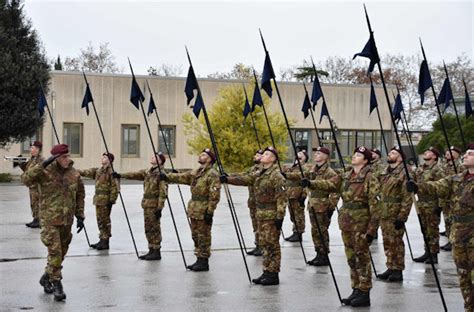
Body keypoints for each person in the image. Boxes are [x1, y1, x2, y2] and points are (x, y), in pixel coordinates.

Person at [302, 146, 378, 307]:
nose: (354, 156)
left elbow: (376, 206)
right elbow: (329, 184)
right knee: (351, 258)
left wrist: (371, 230)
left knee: (362, 258)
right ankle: (356, 288)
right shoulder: (346, 175)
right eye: (354, 153)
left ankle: (365, 292)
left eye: (358, 155)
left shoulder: (370, 177)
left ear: (365, 160)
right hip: (346, 223)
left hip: (361, 223)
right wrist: (311, 183)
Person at [407, 142, 474, 312]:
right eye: (466, 153)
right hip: (459, 235)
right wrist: (417, 187)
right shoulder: (457, 179)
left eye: (471, 154)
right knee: (463, 276)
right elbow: (437, 186)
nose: (466, 156)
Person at [21, 144, 85, 301]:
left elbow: (80, 195)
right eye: (63, 157)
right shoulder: (45, 171)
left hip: (66, 221)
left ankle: (46, 276)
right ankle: (57, 284)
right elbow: (26, 179)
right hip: (50, 220)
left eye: (68, 156)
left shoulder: (74, 173)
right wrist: (42, 164)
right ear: (55, 158)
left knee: (61, 253)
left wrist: (80, 216)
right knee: (55, 251)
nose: (67, 159)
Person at [222, 147, 287, 285]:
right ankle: (266, 271)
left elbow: (282, 198)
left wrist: (280, 217)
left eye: (267, 154)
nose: (263, 155)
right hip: (261, 214)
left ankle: (273, 274)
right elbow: (245, 179)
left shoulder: (276, 176)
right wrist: (227, 179)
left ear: (273, 159)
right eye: (263, 153)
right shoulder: (260, 173)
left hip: (271, 215)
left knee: (272, 244)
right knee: (264, 243)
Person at [161, 148, 221, 271]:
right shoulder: (196, 172)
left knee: (203, 235)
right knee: (195, 235)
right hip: (194, 208)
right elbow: (181, 177)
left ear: (209, 159)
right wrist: (166, 176)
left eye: (203, 155)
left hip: (204, 209)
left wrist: (210, 211)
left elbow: (214, 195)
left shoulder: (212, 174)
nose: (200, 155)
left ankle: (204, 261)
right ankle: (198, 258)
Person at [116, 153, 168, 260]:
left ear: (160, 161)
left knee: (155, 228)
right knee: (148, 227)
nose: (152, 157)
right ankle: (151, 249)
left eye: (155, 157)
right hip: (147, 204)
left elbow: (163, 192)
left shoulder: (161, 174)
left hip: (154, 204)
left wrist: (160, 207)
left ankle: (156, 250)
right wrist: (121, 175)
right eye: (152, 156)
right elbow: (135, 174)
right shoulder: (148, 172)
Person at [376, 146, 413, 282]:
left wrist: (402, 216)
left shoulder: (405, 172)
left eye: (393, 153)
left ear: (400, 157)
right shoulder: (385, 172)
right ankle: (390, 266)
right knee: (387, 241)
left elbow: (407, 197)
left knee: (396, 242)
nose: (390, 154)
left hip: (395, 212)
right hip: (384, 211)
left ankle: (398, 269)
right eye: (390, 152)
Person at [78, 152, 119, 250]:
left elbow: (115, 187)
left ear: (110, 160)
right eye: (102, 157)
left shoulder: (111, 172)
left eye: (105, 157)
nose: (102, 158)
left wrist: (112, 200)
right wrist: (75, 170)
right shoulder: (99, 170)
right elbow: (86, 172)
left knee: (105, 220)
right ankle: (101, 239)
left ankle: (106, 241)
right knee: (99, 220)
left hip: (106, 200)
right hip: (98, 199)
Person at [413, 146, 445, 264]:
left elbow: (442, 188)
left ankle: (434, 254)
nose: (426, 153)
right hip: (421, 202)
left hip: (432, 203)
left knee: (432, 230)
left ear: (434, 156)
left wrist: (440, 206)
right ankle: (427, 252)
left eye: (429, 152)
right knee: (424, 229)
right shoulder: (420, 169)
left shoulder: (438, 169)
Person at [234, 149, 264, 256]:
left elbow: (247, 179)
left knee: (262, 225)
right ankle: (258, 245)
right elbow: (241, 175)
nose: (255, 156)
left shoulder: (264, 170)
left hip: (262, 203)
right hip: (253, 202)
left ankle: (263, 246)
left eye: (258, 155)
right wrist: (228, 176)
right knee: (255, 225)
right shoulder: (252, 169)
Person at [439, 146, 464, 251]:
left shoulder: (460, 166)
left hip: (455, 196)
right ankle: (449, 238)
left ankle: (453, 240)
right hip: (446, 196)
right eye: (448, 152)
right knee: (447, 219)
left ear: (457, 154)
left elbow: (461, 179)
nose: (448, 153)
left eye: (452, 152)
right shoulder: (445, 166)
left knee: (453, 219)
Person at [283, 149, 309, 243]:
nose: (298, 156)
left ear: (305, 158)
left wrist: (304, 195)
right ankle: (294, 232)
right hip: (290, 195)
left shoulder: (305, 168)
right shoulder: (292, 167)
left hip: (298, 195)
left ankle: (299, 233)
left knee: (299, 215)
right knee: (292, 215)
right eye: (297, 154)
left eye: (301, 155)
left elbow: (305, 183)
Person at [17, 141, 44, 228]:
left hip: (37, 186)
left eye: (32, 148)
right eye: (31, 148)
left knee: (38, 202)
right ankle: (35, 219)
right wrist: (20, 163)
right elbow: (27, 170)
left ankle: (39, 220)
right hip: (32, 186)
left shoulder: (40, 160)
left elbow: (36, 172)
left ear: (38, 149)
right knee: (33, 203)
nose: (30, 150)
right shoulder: (32, 159)